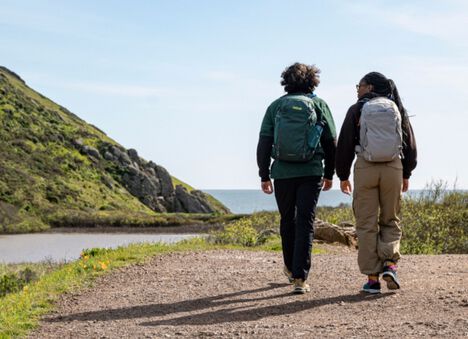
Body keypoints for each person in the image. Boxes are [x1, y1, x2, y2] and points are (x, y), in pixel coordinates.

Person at [256, 62, 337, 294]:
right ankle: (301, 278)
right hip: (311, 171)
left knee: (287, 220)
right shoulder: (319, 104)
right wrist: (330, 173)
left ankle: (291, 269)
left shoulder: (276, 107)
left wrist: (264, 174)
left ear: (286, 82)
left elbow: (264, 142)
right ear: (312, 81)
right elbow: (331, 142)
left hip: (282, 172)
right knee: (305, 222)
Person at [336, 72, 417, 293]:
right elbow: (410, 144)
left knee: (366, 223)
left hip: (365, 168)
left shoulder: (357, 109)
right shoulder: (396, 109)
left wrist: (342, 175)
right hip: (393, 167)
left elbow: (344, 144)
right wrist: (406, 173)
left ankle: (372, 280)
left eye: (359, 85)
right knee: (391, 219)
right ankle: (390, 264)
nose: (357, 89)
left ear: (369, 87)